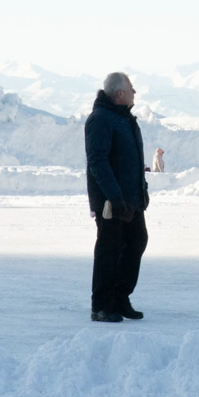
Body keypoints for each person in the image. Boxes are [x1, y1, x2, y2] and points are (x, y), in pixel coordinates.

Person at [83, 71, 148, 323]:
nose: (135, 92)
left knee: (136, 242)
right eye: (132, 88)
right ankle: (101, 305)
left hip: (131, 201)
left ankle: (120, 298)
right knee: (109, 251)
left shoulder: (124, 119)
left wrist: (142, 190)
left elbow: (132, 161)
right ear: (120, 93)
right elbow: (98, 162)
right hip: (112, 203)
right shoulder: (100, 119)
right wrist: (115, 197)